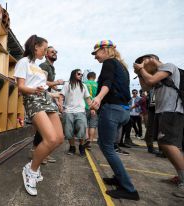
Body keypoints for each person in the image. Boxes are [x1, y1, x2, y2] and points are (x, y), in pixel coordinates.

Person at [14, 35, 64, 196]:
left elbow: (43, 87)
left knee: (59, 138)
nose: (45, 51)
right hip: (33, 100)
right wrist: (36, 91)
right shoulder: (24, 62)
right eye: (44, 48)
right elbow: (21, 87)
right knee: (49, 138)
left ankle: (33, 166)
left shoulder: (38, 66)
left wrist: (54, 96)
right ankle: (31, 170)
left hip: (46, 100)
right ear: (36, 46)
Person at [90, 40, 139, 200]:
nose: (95, 57)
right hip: (122, 111)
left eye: (96, 52)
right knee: (107, 146)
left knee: (107, 147)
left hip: (112, 109)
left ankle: (129, 189)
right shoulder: (122, 66)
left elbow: (107, 82)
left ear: (105, 50)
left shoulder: (109, 62)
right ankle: (118, 178)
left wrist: (98, 98)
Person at [134, 54, 184, 198]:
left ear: (150, 59)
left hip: (172, 111)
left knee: (167, 144)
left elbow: (150, 79)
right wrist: (140, 74)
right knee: (171, 145)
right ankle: (181, 177)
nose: (142, 67)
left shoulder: (168, 66)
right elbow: (146, 86)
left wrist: (142, 70)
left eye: (142, 63)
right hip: (165, 111)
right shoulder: (158, 74)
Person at [31, 46, 64, 164]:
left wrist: (55, 89)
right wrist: (56, 82)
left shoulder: (51, 67)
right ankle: (37, 152)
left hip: (47, 97)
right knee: (43, 128)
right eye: (52, 52)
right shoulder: (44, 66)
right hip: (41, 98)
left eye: (56, 51)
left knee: (47, 129)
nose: (55, 53)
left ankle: (43, 152)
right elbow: (42, 82)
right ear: (46, 54)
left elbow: (48, 84)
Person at [59, 69, 92, 157]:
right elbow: (61, 96)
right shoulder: (67, 84)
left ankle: (81, 147)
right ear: (74, 74)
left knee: (82, 130)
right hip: (68, 111)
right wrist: (60, 105)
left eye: (81, 74)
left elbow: (88, 98)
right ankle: (72, 147)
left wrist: (92, 108)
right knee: (69, 132)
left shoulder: (84, 86)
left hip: (80, 111)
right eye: (79, 74)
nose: (81, 75)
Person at [84, 72, 98, 149]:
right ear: (94, 77)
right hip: (95, 106)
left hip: (85, 106)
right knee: (92, 125)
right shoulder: (97, 84)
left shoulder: (84, 83)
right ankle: (90, 142)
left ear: (88, 77)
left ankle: (86, 139)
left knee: (85, 124)